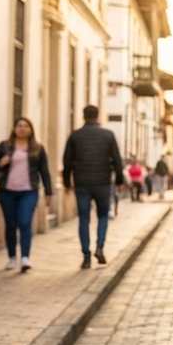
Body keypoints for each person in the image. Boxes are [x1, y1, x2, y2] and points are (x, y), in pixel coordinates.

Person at [63, 105, 124, 269]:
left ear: (83, 116)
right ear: (98, 116)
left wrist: (67, 182)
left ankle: (86, 256)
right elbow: (117, 160)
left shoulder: (75, 136)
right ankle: (99, 247)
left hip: (82, 182)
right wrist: (119, 180)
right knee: (103, 216)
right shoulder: (108, 135)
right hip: (103, 182)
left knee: (84, 218)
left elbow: (67, 161)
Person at [0, 117, 54, 273]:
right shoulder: (4, 146)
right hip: (6, 191)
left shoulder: (38, 148)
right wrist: (1, 163)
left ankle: (25, 258)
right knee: (10, 225)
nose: (22, 129)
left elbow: (44, 171)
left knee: (24, 222)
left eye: (26, 126)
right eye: (19, 126)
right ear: (14, 129)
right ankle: (11, 257)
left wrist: (48, 191)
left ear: (31, 130)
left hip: (29, 191)